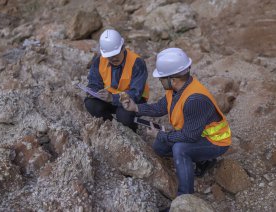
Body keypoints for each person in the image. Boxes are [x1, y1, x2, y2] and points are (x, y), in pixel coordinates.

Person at [121, 47, 231, 196]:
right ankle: (203, 161)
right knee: (160, 147)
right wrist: (135, 107)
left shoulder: (195, 99)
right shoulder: (175, 90)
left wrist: (161, 135)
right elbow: (159, 108)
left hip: (216, 141)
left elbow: (189, 137)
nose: (159, 80)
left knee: (180, 149)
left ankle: (184, 197)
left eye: (161, 77)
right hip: (196, 133)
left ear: (172, 79)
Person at [84, 29, 149, 131]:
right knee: (91, 104)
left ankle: (131, 131)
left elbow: (135, 93)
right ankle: (111, 128)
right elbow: (94, 82)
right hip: (109, 98)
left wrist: (113, 98)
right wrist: (92, 91)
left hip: (133, 100)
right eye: (110, 56)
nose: (113, 58)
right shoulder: (99, 61)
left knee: (124, 116)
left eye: (116, 54)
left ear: (123, 47)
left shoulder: (137, 63)